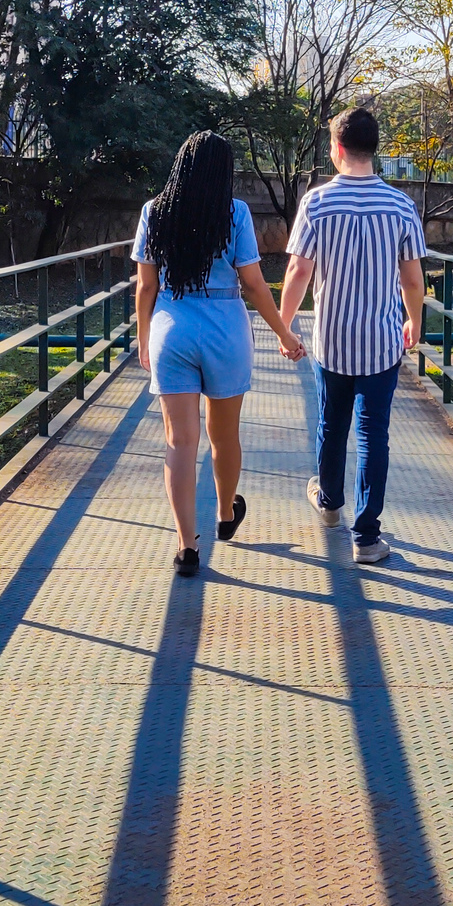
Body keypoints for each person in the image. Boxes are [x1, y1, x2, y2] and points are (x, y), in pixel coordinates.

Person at [134, 131, 305, 576]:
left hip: (172, 328)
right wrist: (284, 333)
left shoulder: (155, 212)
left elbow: (146, 285)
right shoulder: (236, 214)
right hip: (225, 328)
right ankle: (226, 514)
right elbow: (251, 283)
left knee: (179, 441)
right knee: (223, 436)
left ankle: (186, 547)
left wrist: (143, 335)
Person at [279, 105, 426, 564]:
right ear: (373, 148)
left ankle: (329, 503)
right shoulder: (400, 205)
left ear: (337, 148)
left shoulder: (318, 203)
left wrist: (285, 328)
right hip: (382, 343)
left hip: (332, 342)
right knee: (372, 436)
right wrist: (414, 320)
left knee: (331, 426)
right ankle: (366, 537)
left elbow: (298, 270)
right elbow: (412, 278)